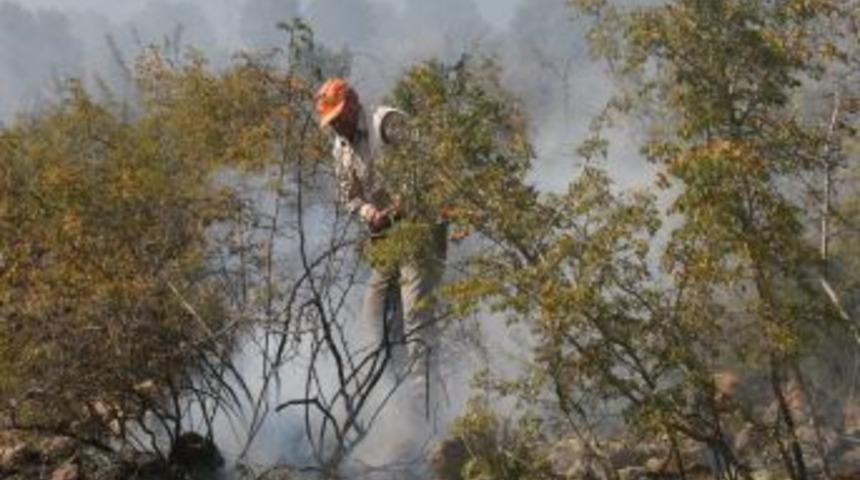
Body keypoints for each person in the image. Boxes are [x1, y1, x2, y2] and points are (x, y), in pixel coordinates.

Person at [315, 78, 447, 421]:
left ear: (355, 102)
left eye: (341, 116)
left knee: (416, 311)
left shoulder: (385, 123)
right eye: (333, 121)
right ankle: (389, 397)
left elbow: (429, 160)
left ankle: (425, 400)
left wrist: (408, 196)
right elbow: (350, 198)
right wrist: (367, 211)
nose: (338, 125)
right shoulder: (340, 149)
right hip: (388, 237)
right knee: (372, 310)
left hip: (420, 228)